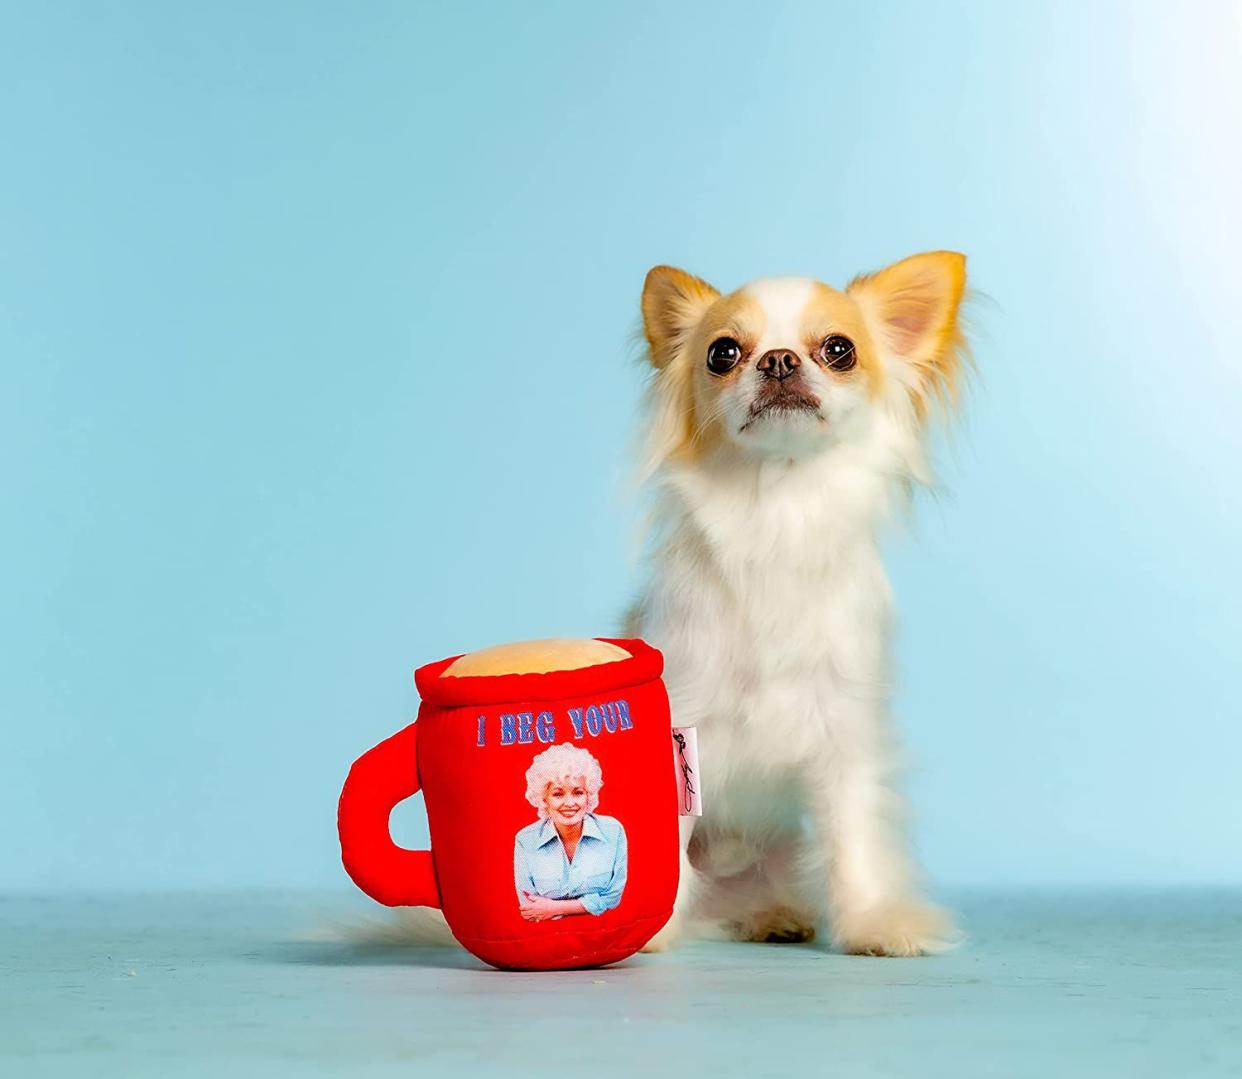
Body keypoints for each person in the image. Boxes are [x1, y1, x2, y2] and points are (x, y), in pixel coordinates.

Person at [514, 743, 627, 921]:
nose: (569, 803)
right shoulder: (525, 839)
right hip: (548, 940)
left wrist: (554, 908)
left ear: (589, 794)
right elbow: (530, 908)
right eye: (558, 794)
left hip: (602, 937)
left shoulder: (613, 831)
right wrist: (588, 905)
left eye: (578, 792)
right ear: (544, 799)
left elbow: (613, 897)